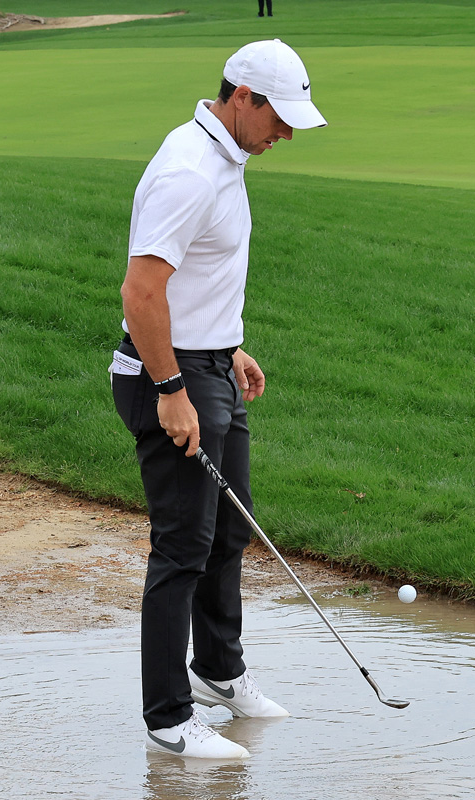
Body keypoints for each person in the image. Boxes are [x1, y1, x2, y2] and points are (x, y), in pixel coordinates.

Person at [112, 38, 327, 758]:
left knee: (229, 530)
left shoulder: (224, 157)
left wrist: (226, 346)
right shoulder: (188, 171)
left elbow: (194, 276)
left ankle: (218, 672)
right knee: (182, 545)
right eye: (279, 118)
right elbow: (140, 294)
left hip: (209, 363)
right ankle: (168, 717)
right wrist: (173, 388)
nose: (286, 134)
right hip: (168, 373)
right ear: (243, 97)